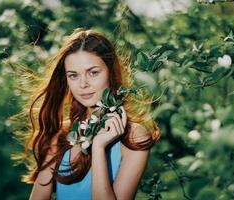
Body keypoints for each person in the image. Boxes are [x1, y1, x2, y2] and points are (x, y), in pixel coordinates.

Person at [17, 28, 160, 200]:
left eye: (93, 73)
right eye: (73, 75)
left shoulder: (133, 137)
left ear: (110, 72)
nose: (83, 84)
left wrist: (98, 148)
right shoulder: (62, 136)